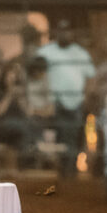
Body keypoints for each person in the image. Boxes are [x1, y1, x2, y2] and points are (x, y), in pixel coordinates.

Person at [35, 19, 95, 177]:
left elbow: (90, 78)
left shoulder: (81, 53)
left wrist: (86, 99)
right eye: (61, 30)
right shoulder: (46, 52)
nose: (64, 34)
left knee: (73, 136)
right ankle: (60, 171)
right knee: (58, 137)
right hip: (53, 103)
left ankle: (69, 173)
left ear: (72, 33)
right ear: (56, 32)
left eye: (68, 31)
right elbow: (36, 76)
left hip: (76, 103)